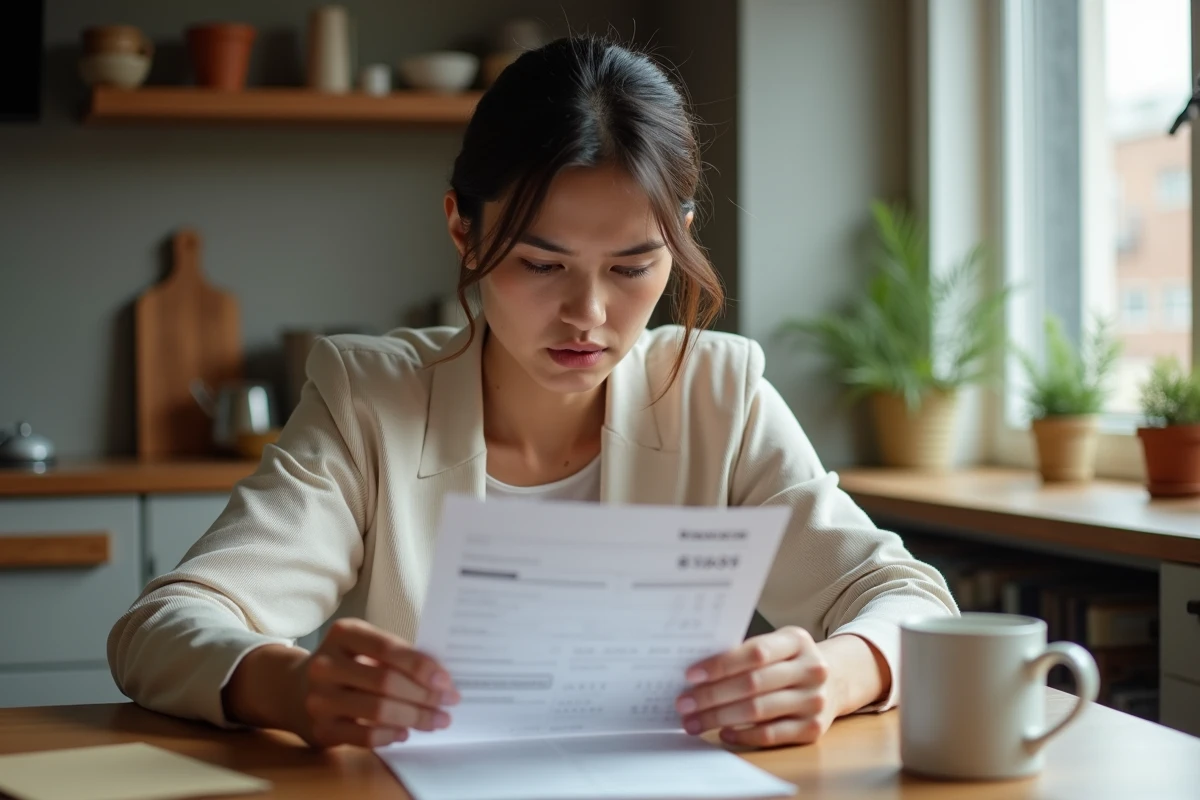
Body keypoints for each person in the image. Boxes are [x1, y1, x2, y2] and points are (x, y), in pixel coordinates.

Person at [108, 35, 957, 751]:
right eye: (542, 264)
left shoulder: (717, 396)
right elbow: (162, 626)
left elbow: (911, 599)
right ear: (461, 227)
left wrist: (835, 675)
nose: (589, 315)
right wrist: (290, 687)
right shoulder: (369, 401)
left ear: (680, 239)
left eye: (633, 267)